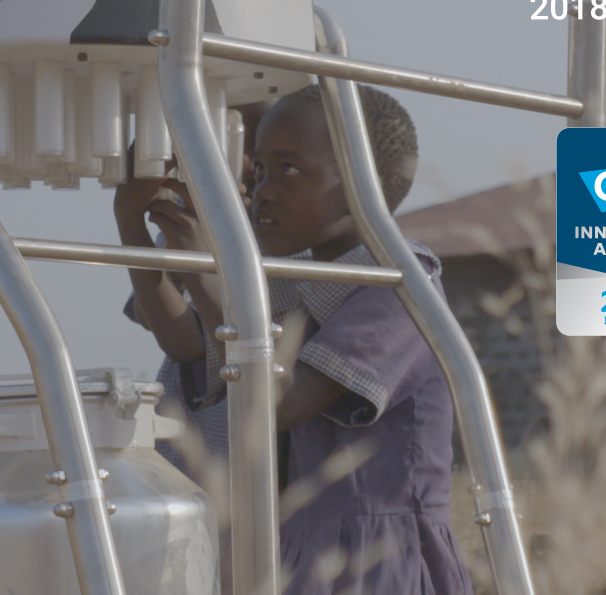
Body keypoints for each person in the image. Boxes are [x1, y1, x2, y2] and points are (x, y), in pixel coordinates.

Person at [136, 84, 472, 595]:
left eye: (288, 170)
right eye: (260, 170)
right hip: (301, 552)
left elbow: (277, 400)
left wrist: (210, 280)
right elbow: (191, 344)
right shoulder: (296, 280)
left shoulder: (400, 284)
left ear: (360, 182)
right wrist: (136, 220)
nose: (263, 191)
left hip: (379, 555)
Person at [112, 103, 268, 487]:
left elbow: (185, 344)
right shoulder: (195, 214)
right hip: (189, 456)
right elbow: (153, 317)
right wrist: (135, 217)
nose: (242, 160)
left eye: (256, 146)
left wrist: (201, 258)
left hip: (242, 467)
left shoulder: (284, 237)